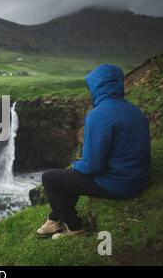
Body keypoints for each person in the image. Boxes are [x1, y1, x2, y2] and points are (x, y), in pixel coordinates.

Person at [37, 64, 151, 239]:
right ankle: (53, 219)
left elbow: (92, 167)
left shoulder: (99, 115)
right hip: (138, 180)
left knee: (50, 178)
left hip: (119, 185)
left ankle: (74, 228)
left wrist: (75, 166)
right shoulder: (134, 110)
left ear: (97, 87)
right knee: (69, 177)